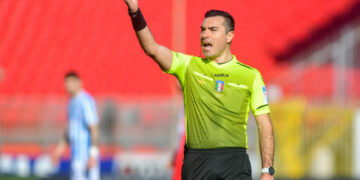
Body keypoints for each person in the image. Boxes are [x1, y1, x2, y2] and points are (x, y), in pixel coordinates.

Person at [123, 0, 275, 179]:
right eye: (203, 29)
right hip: (196, 162)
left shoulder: (250, 75)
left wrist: (267, 170)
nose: (205, 35)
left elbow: (264, 125)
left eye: (213, 30)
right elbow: (152, 49)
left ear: (229, 36)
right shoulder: (189, 66)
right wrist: (134, 11)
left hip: (234, 161)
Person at [52, 71, 100, 180]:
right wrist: (58, 152)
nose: (68, 85)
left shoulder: (85, 101)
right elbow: (69, 132)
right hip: (76, 154)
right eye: (66, 82)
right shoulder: (71, 102)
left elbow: (94, 128)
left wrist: (92, 154)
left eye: (71, 82)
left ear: (79, 83)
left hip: (86, 155)